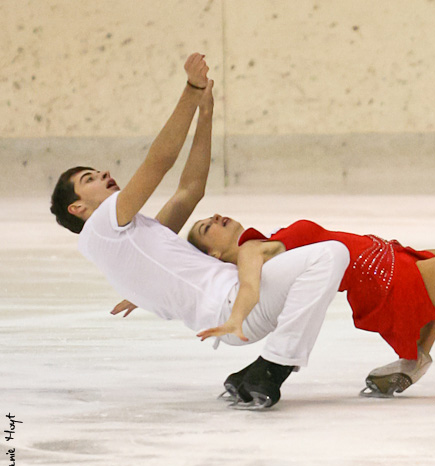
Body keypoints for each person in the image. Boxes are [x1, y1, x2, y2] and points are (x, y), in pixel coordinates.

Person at [50, 53, 350, 410]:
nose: (102, 174)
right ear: (78, 209)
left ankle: (259, 370)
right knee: (329, 254)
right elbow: (158, 162)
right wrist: (191, 90)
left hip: (237, 307)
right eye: (89, 179)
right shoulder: (102, 226)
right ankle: (273, 366)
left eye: (97, 171)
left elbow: (190, 189)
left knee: (320, 256)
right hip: (232, 305)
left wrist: (205, 116)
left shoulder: (131, 235)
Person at [180, 214, 435, 405]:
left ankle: (415, 357)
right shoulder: (252, 253)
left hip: (396, 264)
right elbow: (249, 286)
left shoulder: (264, 244)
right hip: (392, 281)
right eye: (206, 227)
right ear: (214, 255)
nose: (214, 217)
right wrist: (234, 318)